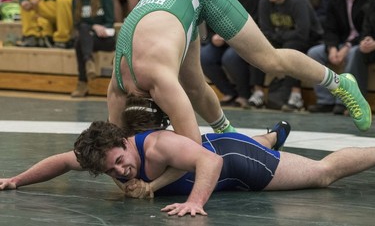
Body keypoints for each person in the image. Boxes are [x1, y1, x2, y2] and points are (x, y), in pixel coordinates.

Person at [107, 0, 371, 154]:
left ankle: (340, 83)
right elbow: (115, 140)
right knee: (195, 86)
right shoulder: (118, 88)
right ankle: (228, 132)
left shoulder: (162, 82)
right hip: (167, 3)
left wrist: (150, 183)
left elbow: (193, 151)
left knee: (269, 60)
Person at [2, 120, 375, 217]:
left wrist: (196, 201)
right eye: (112, 172)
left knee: (324, 173)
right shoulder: (104, 156)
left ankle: (267, 144)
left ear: (124, 141)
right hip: (216, 146)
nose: (122, 172)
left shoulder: (157, 145)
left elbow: (209, 161)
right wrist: (17, 179)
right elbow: (62, 162)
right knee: (242, 143)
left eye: (121, 162)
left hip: (237, 163)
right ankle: (273, 136)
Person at [307, 0, 374, 115]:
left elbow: (366, 29)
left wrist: (347, 46)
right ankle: (325, 101)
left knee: (353, 53)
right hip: (339, 43)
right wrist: (331, 48)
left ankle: (347, 102)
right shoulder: (335, 0)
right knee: (314, 53)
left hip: (360, 43)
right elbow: (329, 29)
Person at [252, 0, 323, 112]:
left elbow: (303, 33)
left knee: (292, 47)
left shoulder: (297, 1)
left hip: (310, 40)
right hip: (283, 39)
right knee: (256, 47)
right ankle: (258, 93)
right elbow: (266, 31)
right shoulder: (264, 1)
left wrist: (279, 35)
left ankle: (295, 95)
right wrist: (280, 36)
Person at [201, 0, 263, 109]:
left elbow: (257, 25)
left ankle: (244, 94)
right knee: (204, 56)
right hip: (223, 40)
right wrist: (213, 37)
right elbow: (212, 20)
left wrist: (231, 36)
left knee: (231, 57)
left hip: (245, 41)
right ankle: (228, 92)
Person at [70, 0, 116, 98]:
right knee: (82, 33)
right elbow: (77, 24)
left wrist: (98, 28)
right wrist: (93, 27)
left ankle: (82, 83)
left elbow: (110, 21)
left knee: (81, 40)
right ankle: (88, 61)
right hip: (87, 39)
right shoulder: (76, 0)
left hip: (104, 39)